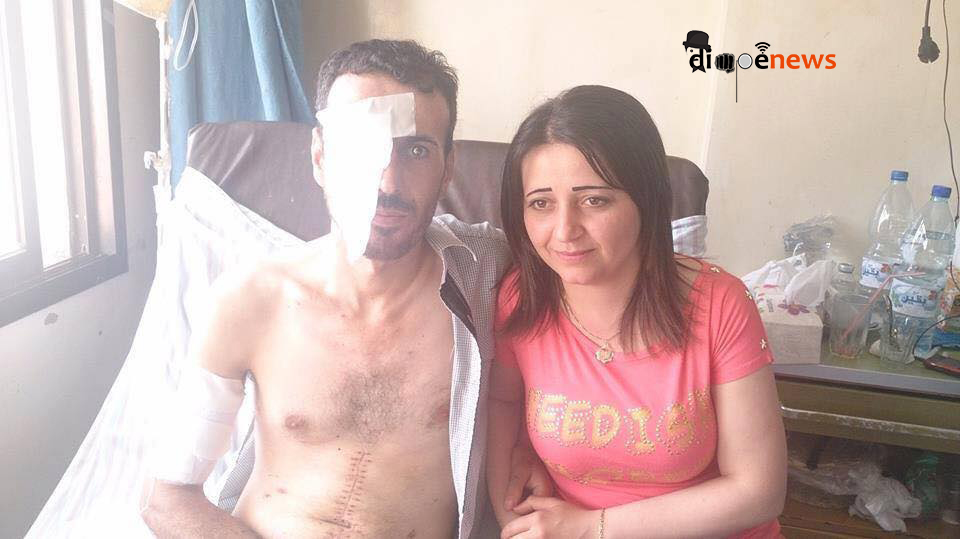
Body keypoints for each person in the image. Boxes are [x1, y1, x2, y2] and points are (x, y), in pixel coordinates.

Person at [140, 39, 529, 539]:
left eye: (416, 150)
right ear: (321, 157)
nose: (387, 182)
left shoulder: (489, 274)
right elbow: (165, 497)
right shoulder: (251, 300)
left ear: (447, 167)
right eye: (361, 146)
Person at [487, 85, 787, 538]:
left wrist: (591, 529)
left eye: (594, 200)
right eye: (541, 203)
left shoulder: (720, 304)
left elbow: (758, 491)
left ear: (645, 201)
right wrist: (513, 518)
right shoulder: (522, 297)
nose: (564, 230)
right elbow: (503, 403)